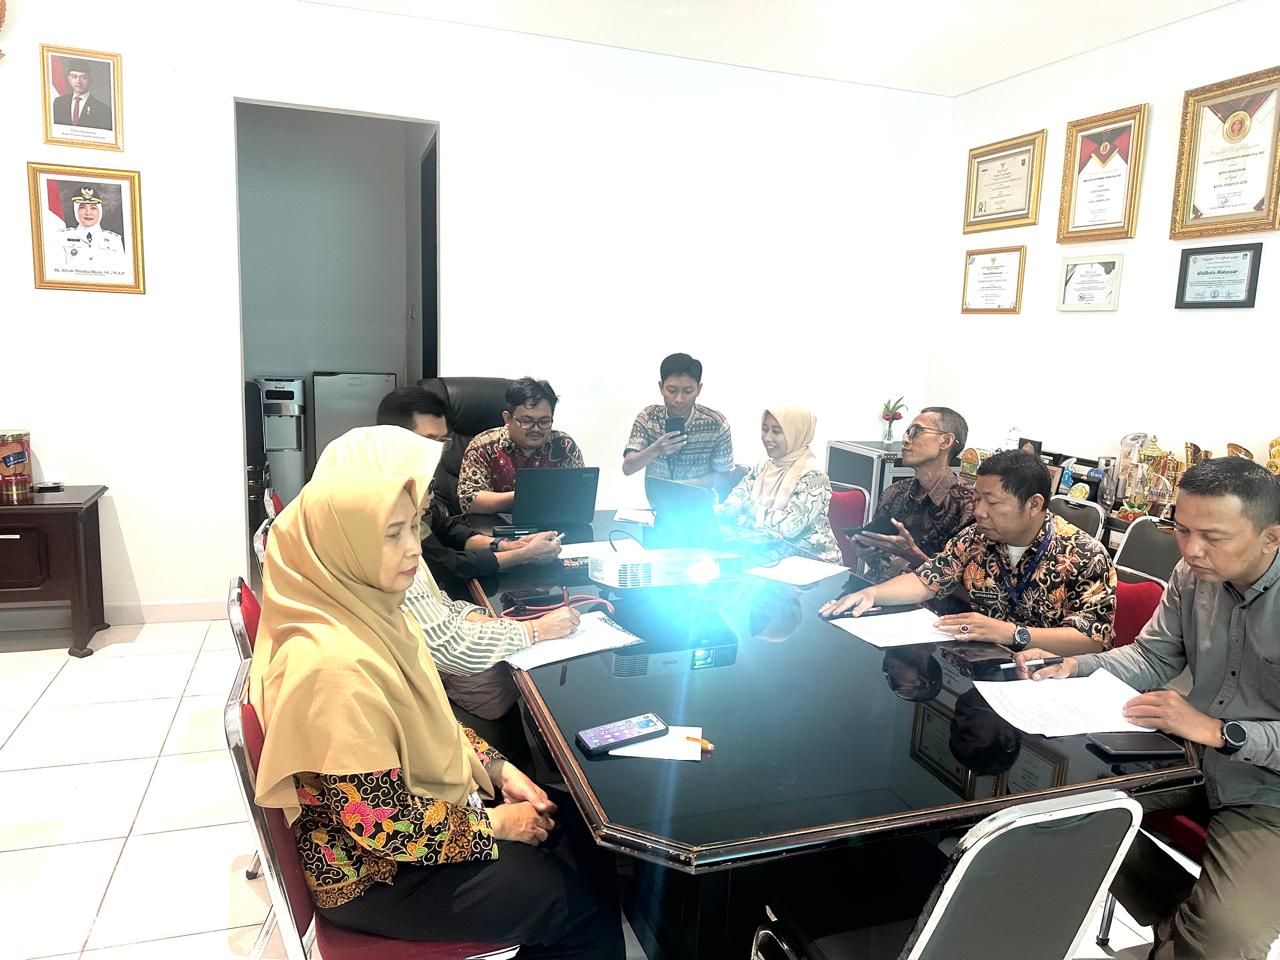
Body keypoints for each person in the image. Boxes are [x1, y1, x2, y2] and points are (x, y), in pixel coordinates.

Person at [249, 467, 622, 956]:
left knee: (580, 832)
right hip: (374, 872)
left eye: (412, 529)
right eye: (392, 535)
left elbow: (432, 721)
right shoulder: (331, 666)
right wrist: (496, 825)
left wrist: (498, 768)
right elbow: (380, 822)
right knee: (571, 903)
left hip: (413, 821)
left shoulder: (371, 615)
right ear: (343, 546)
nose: (413, 549)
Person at [1015, 457, 1280, 960]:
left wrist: (1221, 730)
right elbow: (1152, 656)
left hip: (1269, 789)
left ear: (1272, 537)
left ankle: (1193, 932)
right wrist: (1075, 666)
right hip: (1193, 757)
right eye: (1182, 530)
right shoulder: (1192, 575)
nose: (1191, 550)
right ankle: (1176, 924)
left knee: (1227, 932)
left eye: (1213, 537)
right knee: (1059, 808)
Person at [313, 427, 579, 762]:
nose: (415, 547)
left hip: (422, 699)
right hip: (423, 712)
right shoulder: (373, 559)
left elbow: (435, 600)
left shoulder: (376, 537)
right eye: (425, 487)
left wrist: (480, 616)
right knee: (548, 686)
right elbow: (450, 649)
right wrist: (536, 630)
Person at [821, 450, 1115, 656]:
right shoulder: (976, 537)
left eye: (993, 503)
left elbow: (1092, 639)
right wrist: (873, 594)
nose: (980, 512)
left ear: (1034, 504)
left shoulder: (1084, 555)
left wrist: (1011, 633)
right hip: (984, 661)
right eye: (977, 499)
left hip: (1046, 676)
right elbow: (927, 579)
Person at [376, 388, 563, 585]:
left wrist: (507, 545)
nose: (437, 452)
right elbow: (444, 566)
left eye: (442, 441)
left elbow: (446, 528)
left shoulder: (418, 475)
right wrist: (524, 554)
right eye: (429, 440)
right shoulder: (384, 493)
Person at [858, 406, 976, 586]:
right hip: (877, 589)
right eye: (907, 432)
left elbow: (966, 589)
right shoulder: (894, 492)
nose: (905, 440)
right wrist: (866, 550)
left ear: (945, 441)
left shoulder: (968, 504)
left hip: (927, 599)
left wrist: (913, 555)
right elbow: (878, 563)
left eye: (916, 432)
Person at [718, 407, 840, 561]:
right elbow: (729, 508)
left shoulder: (814, 478)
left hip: (811, 561)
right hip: (765, 553)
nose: (767, 437)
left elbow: (788, 528)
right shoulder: (762, 468)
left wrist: (747, 508)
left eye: (776, 432)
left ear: (796, 434)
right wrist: (759, 521)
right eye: (765, 429)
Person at [457, 378, 584, 515]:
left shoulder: (563, 446)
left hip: (551, 523)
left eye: (544, 421)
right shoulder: (483, 446)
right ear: (507, 418)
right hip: (495, 525)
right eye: (527, 421)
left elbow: (580, 495)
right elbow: (469, 501)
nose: (536, 429)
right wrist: (523, 495)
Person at [622, 353, 733, 490]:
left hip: (700, 500)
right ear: (661, 387)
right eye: (672, 391)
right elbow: (628, 467)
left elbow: (724, 476)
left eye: (688, 391)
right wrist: (656, 449)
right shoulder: (648, 417)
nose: (679, 399)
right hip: (657, 500)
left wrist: (684, 486)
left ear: (698, 389)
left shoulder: (716, 424)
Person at [57, 187, 125, 268]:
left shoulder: (114, 240)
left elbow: (121, 272)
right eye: (82, 207)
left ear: (99, 211)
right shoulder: (61, 237)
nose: (88, 213)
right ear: (76, 210)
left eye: (93, 208)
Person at [52, 60, 113, 129]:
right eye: (74, 76)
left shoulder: (102, 109)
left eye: (83, 77)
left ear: (90, 80)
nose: (78, 81)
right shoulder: (59, 103)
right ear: (69, 79)